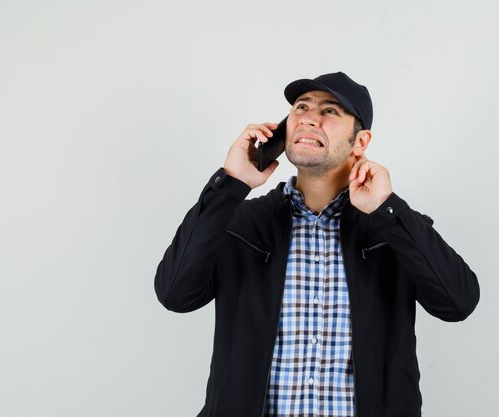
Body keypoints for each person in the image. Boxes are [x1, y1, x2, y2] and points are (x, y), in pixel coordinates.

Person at [154, 72, 480, 417]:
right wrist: (231, 184)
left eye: (330, 111)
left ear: (361, 141)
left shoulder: (393, 227)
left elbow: (457, 303)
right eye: (301, 108)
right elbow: (175, 293)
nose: (309, 117)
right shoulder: (239, 222)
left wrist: (389, 210)